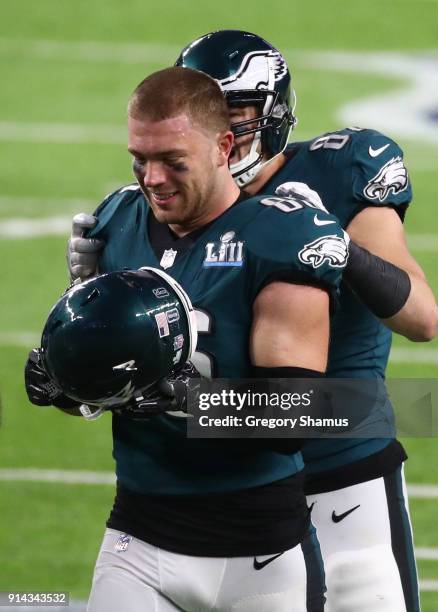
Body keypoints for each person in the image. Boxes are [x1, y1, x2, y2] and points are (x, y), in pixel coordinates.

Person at [68, 32, 438, 612]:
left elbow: (421, 318)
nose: (225, 128)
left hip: (342, 464)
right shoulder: (149, 210)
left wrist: (334, 242)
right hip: (222, 487)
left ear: (271, 114)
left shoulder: (339, 171)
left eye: (237, 112)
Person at [27, 66, 351, 611]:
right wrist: (65, 378)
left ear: (224, 146)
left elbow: (300, 415)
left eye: (172, 161)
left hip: (259, 553)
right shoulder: (118, 221)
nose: (151, 178)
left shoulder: (279, 235)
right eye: (140, 158)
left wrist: (187, 400)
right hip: (139, 536)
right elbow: (106, 382)